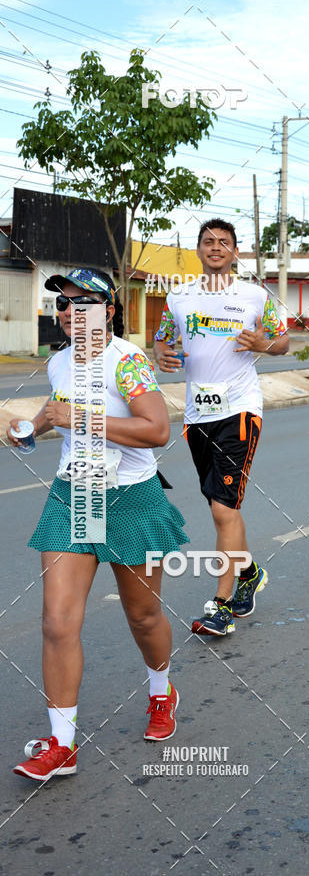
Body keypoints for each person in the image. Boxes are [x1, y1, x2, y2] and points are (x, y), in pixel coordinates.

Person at [8, 269, 188, 783]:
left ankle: (161, 692)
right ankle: (62, 745)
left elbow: (156, 430)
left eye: (81, 303)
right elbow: (57, 410)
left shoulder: (126, 362)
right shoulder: (59, 361)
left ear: (108, 311)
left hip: (131, 500)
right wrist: (32, 427)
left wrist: (73, 419)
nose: (67, 313)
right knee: (57, 622)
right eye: (62, 305)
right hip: (74, 495)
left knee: (144, 617)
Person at [154, 219, 289, 637]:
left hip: (240, 411)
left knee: (221, 509)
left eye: (224, 243)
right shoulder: (179, 296)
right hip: (197, 416)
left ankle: (222, 604)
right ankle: (248, 571)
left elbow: (283, 342)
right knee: (221, 502)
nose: (216, 247)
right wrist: (162, 354)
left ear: (235, 252)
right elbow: (161, 339)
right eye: (209, 241)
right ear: (198, 249)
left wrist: (262, 344)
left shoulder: (255, 295)